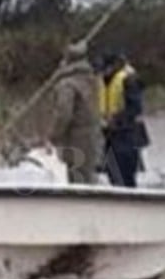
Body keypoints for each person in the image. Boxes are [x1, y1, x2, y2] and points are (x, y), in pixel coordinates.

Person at [46, 41, 103, 184]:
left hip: (75, 140)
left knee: (77, 181)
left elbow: (64, 114)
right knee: (89, 177)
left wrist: (53, 136)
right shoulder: (92, 80)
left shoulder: (67, 85)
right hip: (94, 137)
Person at [97, 51, 149, 188]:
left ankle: (131, 199)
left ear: (113, 66)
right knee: (111, 171)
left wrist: (117, 119)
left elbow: (135, 108)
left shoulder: (128, 80)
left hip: (127, 134)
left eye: (105, 68)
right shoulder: (102, 82)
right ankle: (118, 195)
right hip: (108, 135)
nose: (103, 72)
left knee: (127, 172)